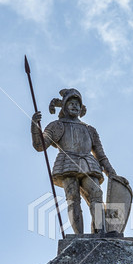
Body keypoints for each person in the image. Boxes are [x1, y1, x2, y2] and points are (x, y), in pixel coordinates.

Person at [31, 88, 117, 234]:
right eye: (71, 103)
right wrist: (34, 126)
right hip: (67, 163)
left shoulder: (90, 129)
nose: (74, 106)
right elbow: (40, 145)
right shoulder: (57, 125)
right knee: (72, 197)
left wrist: (112, 173)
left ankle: (101, 232)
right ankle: (79, 235)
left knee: (96, 193)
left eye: (77, 103)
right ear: (64, 106)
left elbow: (101, 156)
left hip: (89, 164)